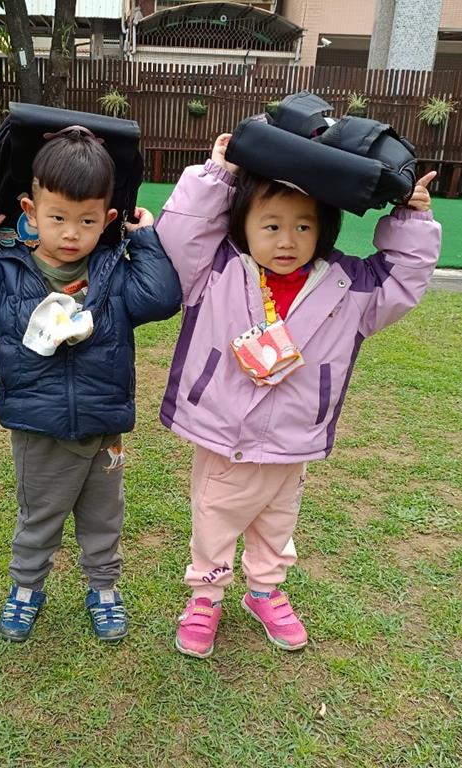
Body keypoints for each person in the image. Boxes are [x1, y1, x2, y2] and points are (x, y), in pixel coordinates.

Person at [156, 132, 440, 658]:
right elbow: (181, 233)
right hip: (224, 433)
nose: (286, 240)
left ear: (324, 228)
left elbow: (404, 278)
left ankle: (264, 591)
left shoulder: (351, 287)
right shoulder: (214, 270)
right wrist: (218, 177)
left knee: (278, 519)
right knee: (215, 515)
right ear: (241, 224)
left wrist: (411, 217)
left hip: (294, 437)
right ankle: (205, 595)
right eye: (271, 226)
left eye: (303, 226)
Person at [0, 127, 181, 643]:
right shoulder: (5, 274)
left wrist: (142, 237)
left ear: (108, 218)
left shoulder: (114, 273)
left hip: (102, 425)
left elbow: (162, 296)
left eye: (87, 220)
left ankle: (103, 587)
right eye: (57, 217)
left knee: (104, 516)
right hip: (37, 425)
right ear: (30, 210)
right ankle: (26, 587)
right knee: (39, 515)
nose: (71, 233)